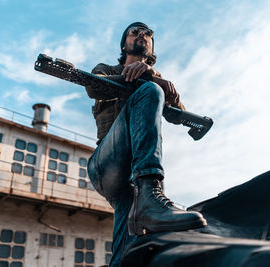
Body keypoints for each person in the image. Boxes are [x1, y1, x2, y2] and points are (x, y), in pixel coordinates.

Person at [86, 22, 206, 266]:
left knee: (126, 246)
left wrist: (165, 89)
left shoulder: (157, 84)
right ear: (124, 44)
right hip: (106, 165)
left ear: (152, 47)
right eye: (135, 31)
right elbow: (93, 86)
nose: (142, 34)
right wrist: (144, 78)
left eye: (148, 34)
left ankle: (147, 201)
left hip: (132, 178)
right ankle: (150, 197)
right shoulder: (107, 69)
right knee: (149, 90)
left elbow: (174, 115)